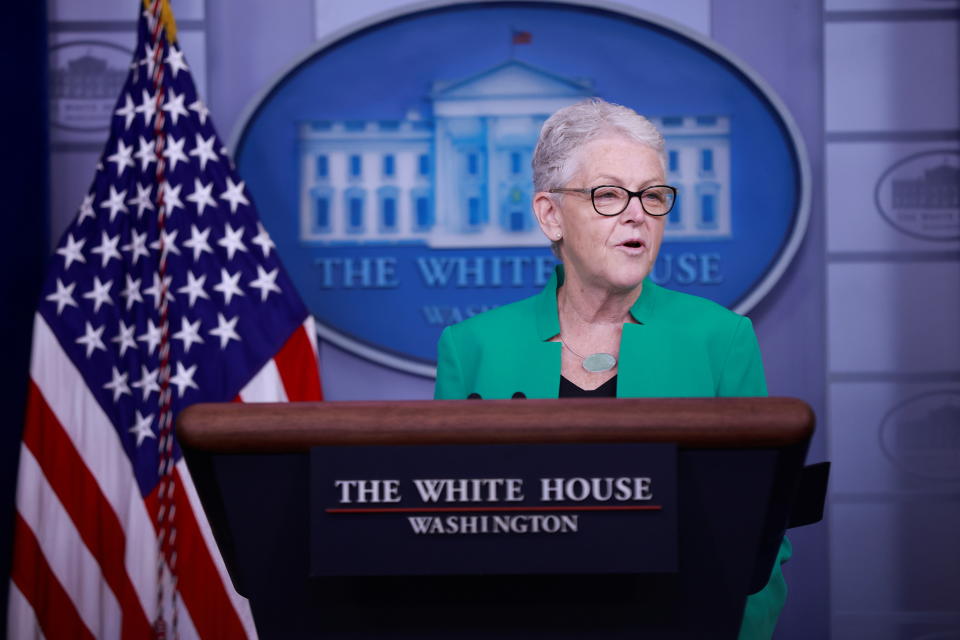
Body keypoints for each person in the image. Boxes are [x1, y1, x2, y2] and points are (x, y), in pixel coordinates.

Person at [434, 98, 790, 639]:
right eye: (608, 195)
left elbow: (762, 544)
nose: (637, 214)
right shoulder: (472, 348)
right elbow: (439, 535)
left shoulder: (720, 340)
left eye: (652, 195)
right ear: (550, 214)